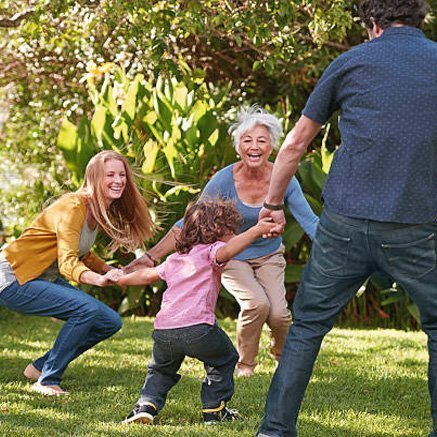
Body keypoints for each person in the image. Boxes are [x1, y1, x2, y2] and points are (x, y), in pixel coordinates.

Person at [256, 0, 437, 435]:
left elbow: (296, 144)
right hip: (414, 225)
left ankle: (274, 431)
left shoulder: (350, 61)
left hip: (345, 226)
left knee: (307, 328)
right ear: (419, 20)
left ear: (372, 25)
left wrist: (272, 204)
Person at [126, 106, 319, 377]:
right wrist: (151, 256)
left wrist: (336, 248)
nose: (254, 146)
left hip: (269, 256)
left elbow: (309, 220)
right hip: (231, 256)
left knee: (279, 314)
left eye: (262, 141)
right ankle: (246, 365)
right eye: (247, 140)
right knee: (256, 304)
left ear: (272, 146)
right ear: (238, 146)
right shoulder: (224, 180)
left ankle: (282, 359)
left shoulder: (283, 177)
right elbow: (191, 222)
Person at [0, 150, 155, 396]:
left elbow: (82, 253)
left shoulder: (96, 209)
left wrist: (109, 270)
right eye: (110, 175)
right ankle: (48, 380)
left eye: (122, 175)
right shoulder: (74, 206)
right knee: (87, 310)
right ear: (94, 178)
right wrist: (100, 279)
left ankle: (39, 367)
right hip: (14, 278)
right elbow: (68, 263)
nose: (118, 180)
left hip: (40, 276)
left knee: (109, 321)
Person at [116, 199, 276, 425]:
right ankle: (214, 410)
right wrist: (257, 230)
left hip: (164, 331)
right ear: (218, 229)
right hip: (198, 329)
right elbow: (229, 249)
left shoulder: (175, 259)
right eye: (231, 229)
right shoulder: (212, 251)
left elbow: (145, 276)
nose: (234, 233)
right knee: (224, 358)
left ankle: (145, 406)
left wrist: (120, 278)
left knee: (161, 370)